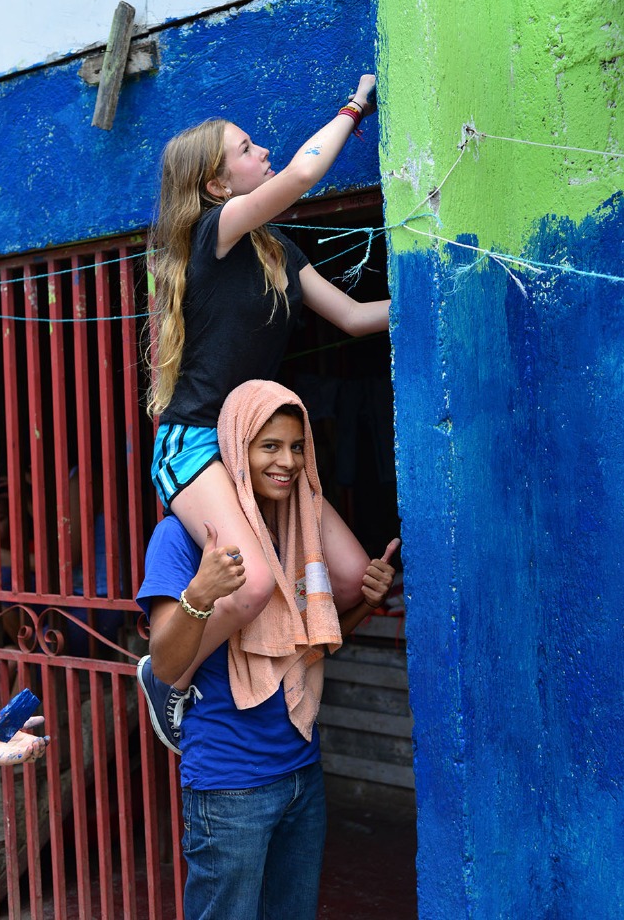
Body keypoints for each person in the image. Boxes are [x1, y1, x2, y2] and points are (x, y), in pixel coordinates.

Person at [146, 73, 389, 661]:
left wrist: (435, 304)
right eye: (247, 149)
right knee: (251, 584)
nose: (264, 152)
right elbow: (304, 174)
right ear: (217, 184)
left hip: (249, 444)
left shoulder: (276, 247)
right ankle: (166, 675)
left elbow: (354, 317)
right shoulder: (215, 231)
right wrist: (355, 105)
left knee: (351, 578)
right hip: (195, 441)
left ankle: (278, 673)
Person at [137, 381, 397, 920]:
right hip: (230, 785)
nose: (288, 462)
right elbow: (164, 662)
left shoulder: (295, 535)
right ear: (236, 450)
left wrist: (365, 605)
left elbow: (303, 648)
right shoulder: (181, 537)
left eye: (297, 447)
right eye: (269, 447)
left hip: (302, 772)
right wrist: (198, 596)